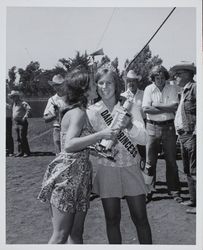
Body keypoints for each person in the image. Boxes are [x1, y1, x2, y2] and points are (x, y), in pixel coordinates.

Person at [38, 69, 117, 244]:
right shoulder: (78, 112)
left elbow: (80, 144)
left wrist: (100, 151)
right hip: (69, 176)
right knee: (60, 236)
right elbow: (70, 144)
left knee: (76, 233)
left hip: (79, 175)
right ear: (83, 89)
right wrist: (101, 134)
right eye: (92, 84)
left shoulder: (81, 110)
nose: (97, 86)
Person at [87, 67, 152, 244]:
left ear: (116, 85)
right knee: (112, 220)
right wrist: (99, 146)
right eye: (100, 82)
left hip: (131, 166)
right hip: (107, 169)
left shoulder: (129, 106)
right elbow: (88, 144)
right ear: (97, 85)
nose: (104, 86)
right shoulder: (92, 111)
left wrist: (129, 125)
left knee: (140, 219)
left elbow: (145, 139)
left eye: (109, 82)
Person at [142, 65, 182, 202]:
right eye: (156, 78)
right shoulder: (148, 89)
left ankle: (174, 191)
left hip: (168, 128)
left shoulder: (172, 88)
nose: (159, 80)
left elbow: (175, 107)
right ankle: (148, 190)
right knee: (149, 161)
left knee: (171, 160)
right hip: (152, 127)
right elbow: (146, 109)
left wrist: (156, 105)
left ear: (166, 77)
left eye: (162, 77)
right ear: (152, 78)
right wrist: (166, 108)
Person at [171, 62, 196, 214]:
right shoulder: (184, 91)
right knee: (188, 169)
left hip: (192, 134)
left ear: (188, 74)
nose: (176, 77)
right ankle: (194, 200)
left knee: (195, 170)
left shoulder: (195, 89)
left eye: (179, 74)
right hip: (183, 135)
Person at [121, 69, 146, 160]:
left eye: (133, 81)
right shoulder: (122, 96)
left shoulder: (144, 94)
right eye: (129, 81)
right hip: (127, 128)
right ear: (126, 82)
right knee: (130, 154)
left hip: (143, 126)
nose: (131, 83)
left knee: (144, 154)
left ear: (137, 82)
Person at [43, 74, 69, 154]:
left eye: (60, 85)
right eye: (55, 85)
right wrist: (55, 115)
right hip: (57, 129)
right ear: (53, 86)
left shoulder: (71, 97)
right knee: (59, 156)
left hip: (71, 129)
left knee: (70, 155)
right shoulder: (52, 100)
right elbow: (45, 118)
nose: (58, 87)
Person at [8, 90, 31, 157]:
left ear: (17, 97)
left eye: (14, 96)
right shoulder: (14, 104)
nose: (13, 98)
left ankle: (26, 152)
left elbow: (29, 109)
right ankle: (20, 151)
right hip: (16, 122)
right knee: (18, 138)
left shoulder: (22, 103)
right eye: (12, 97)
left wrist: (25, 117)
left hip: (22, 122)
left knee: (22, 137)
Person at [6, 90, 14, 156]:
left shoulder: (9, 99)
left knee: (8, 134)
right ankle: (5, 150)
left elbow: (10, 107)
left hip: (7, 118)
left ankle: (10, 151)